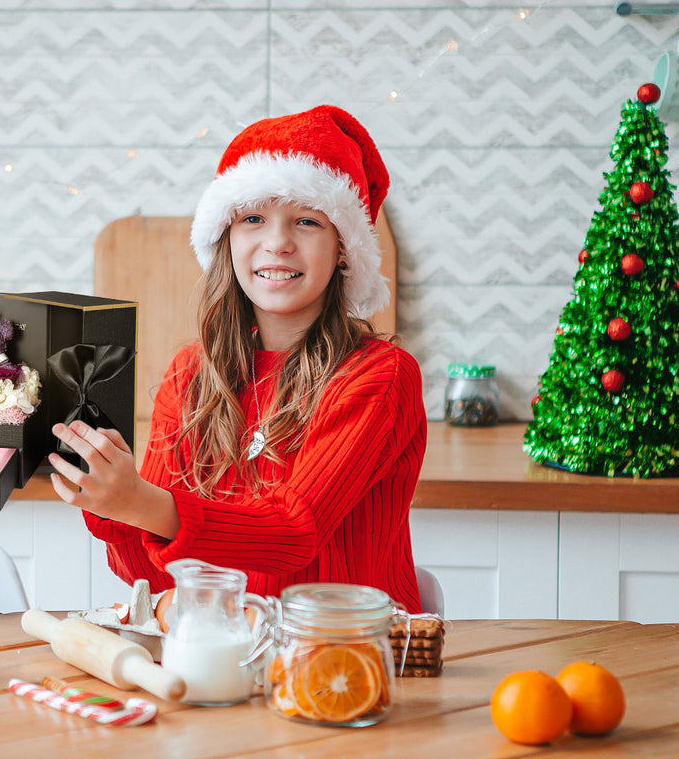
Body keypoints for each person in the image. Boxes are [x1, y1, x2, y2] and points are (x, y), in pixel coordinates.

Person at [50, 106, 426, 612]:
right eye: (253, 218)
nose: (277, 242)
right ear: (227, 240)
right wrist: (112, 501)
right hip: (226, 655)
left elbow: (295, 533)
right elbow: (153, 578)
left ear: (343, 249)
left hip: (345, 659)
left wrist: (141, 502)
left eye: (307, 221)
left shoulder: (379, 377)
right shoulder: (190, 376)